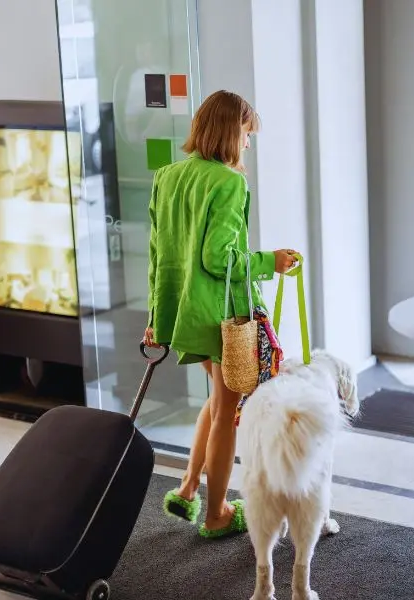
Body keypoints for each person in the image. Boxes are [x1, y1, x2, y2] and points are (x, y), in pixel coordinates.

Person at [142, 90, 298, 538]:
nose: (248, 143)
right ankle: (216, 516)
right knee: (229, 410)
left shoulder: (167, 176)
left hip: (182, 310)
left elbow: (158, 256)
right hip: (220, 316)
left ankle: (189, 489)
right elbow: (219, 259)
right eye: (247, 134)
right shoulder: (229, 183)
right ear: (232, 131)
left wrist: (156, 314)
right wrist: (273, 262)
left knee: (215, 400)